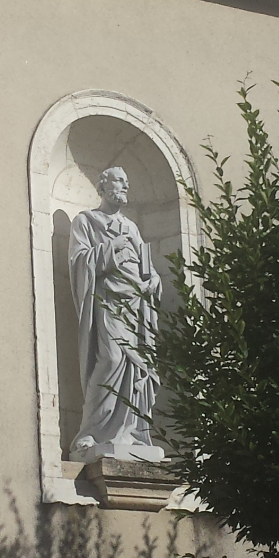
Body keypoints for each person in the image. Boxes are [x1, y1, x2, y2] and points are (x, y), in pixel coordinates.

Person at [67, 166, 165, 465]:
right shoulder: (86, 221)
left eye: (126, 182)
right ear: (103, 187)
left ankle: (130, 432)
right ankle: (92, 431)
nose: (125, 186)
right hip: (108, 302)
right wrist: (111, 248)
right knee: (110, 360)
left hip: (136, 306)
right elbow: (79, 261)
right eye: (119, 181)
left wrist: (154, 280)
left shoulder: (131, 227)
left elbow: (146, 266)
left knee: (136, 367)